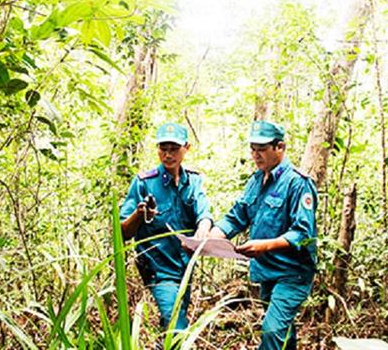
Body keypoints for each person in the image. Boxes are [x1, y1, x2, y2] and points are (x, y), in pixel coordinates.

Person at [207, 120, 318, 350]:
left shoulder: (298, 183)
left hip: (293, 274)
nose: (256, 155)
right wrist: (210, 237)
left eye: (262, 149)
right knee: (282, 333)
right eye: (253, 149)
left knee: (272, 329)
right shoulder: (256, 180)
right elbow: (237, 215)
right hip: (266, 271)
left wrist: (264, 245)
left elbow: (302, 233)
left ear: (279, 147)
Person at [119, 122, 213, 332]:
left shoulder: (193, 181)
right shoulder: (144, 182)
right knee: (176, 325)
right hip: (157, 268)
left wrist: (203, 228)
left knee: (173, 320)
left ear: (186, 148)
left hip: (185, 266)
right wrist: (139, 215)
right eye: (163, 149)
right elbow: (122, 231)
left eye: (174, 149)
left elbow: (204, 212)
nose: (168, 155)